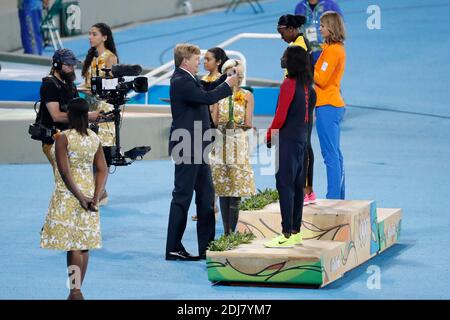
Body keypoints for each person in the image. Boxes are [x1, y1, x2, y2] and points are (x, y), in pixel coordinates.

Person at [166, 43, 238, 261]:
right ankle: (173, 247)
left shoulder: (189, 78)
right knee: (182, 197)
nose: (200, 63)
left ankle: (207, 247)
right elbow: (207, 98)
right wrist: (228, 86)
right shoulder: (180, 80)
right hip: (187, 147)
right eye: (197, 60)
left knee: (206, 198)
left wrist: (224, 79)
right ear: (186, 60)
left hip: (197, 147)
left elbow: (205, 89)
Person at [40, 97, 108, 300]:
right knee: (83, 244)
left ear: (70, 115)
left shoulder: (63, 138)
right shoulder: (94, 138)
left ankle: (75, 291)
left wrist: (80, 197)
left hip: (70, 194)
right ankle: (77, 289)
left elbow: (64, 171)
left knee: (74, 245)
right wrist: (95, 196)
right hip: (89, 191)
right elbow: (102, 169)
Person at [264, 46, 316, 248]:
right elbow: (307, 119)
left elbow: (280, 115)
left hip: (287, 141)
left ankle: (285, 234)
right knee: (297, 186)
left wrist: (269, 135)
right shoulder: (308, 88)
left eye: (285, 56)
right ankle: (295, 231)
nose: (281, 58)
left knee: (284, 186)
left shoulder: (288, 84)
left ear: (292, 61)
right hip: (302, 141)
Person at [209, 59, 256, 235]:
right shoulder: (217, 95)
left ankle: (231, 232)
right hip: (220, 143)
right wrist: (220, 121)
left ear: (241, 76)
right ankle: (226, 232)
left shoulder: (247, 96)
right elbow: (213, 120)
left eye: (234, 74)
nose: (231, 77)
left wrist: (236, 124)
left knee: (236, 189)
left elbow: (248, 122)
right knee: (223, 188)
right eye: (228, 74)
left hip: (237, 144)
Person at [277, 14, 316, 205]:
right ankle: (305, 188)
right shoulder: (298, 42)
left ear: (291, 29)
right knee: (304, 141)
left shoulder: (299, 45)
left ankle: (307, 189)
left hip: (302, 94)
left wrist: (285, 59)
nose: (280, 36)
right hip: (302, 92)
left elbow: (284, 63)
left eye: (282, 31)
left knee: (304, 142)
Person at [39, 48, 99, 171]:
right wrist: (87, 116)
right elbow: (56, 115)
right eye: (68, 65)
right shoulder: (49, 85)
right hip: (54, 141)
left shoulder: (70, 85)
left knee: (77, 177)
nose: (72, 68)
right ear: (57, 64)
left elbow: (79, 110)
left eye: (73, 65)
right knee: (66, 179)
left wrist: (94, 115)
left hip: (70, 138)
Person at [80, 22, 119, 205]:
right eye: (89, 33)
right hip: (89, 107)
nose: (90, 37)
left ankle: (100, 190)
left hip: (103, 107)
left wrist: (94, 91)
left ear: (104, 37)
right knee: (90, 149)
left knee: (103, 150)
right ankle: (99, 190)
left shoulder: (110, 58)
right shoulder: (91, 56)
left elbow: (113, 85)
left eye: (94, 34)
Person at [191, 47, 229, 222]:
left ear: (219, 62)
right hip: (204, 128)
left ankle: (215, 206)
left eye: (208, 59)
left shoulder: (223, 81)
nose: (205, 62)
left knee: (217, 170)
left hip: (218, 129)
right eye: (204, 59)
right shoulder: (202, 80)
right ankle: (208, 206)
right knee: (206, 171)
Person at [314, 11, 346, 199]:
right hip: (330, 104)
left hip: (328, 104)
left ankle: (333, 198)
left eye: (323, 26)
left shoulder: (333, 51)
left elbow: (322, 79)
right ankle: (339, 196)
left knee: (330, 155)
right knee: (335, 153)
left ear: (331, 28)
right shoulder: (331, 48)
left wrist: (305, 68)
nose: (320, 28)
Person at [294, 0, 343, 65]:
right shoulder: (300, 7)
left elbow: (339, 29)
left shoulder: (331, 6)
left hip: (327, 52)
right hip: (306, 54)